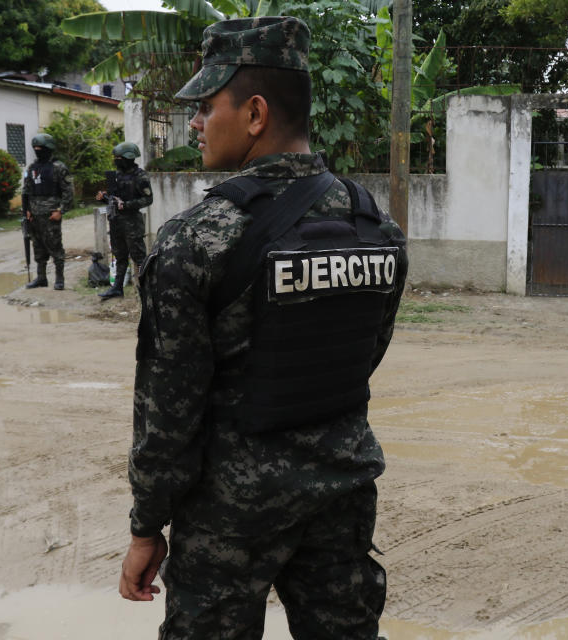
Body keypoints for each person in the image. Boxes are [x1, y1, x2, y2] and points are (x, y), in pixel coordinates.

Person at [117, 17, 407, 639]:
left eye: (204, 107)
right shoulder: (374, 227)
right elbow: (364, 355)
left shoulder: (196, 240)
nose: (194, 122)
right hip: (341, 491)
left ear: (254, 114)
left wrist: (146, 528)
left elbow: (169, 411)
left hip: (230, 517)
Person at [96, 141, 153, 300]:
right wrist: (104, 198)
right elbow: (113, 199)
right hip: (115, 222)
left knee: (139, 257)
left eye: (118, 158)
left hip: (132, 224)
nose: (116, 160)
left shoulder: (140, 176)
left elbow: (148, 199)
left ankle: (146, 289)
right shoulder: (116, 176)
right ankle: (117, 288)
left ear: (128, 158)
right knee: (120, 256)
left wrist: (126, 205)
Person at [22, 134, 74, 290]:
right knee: (38, 247)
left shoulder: (58, 167)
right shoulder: (32, 168)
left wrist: (61, 211)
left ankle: (59, 279)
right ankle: (41, 278)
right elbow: (26, 190)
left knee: (55, 246)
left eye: (41, 149)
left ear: (49, 149)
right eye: (35, 149)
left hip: (51, 215)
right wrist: (27, 211)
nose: (38, 151)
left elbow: (68, 193)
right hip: (34, 216)